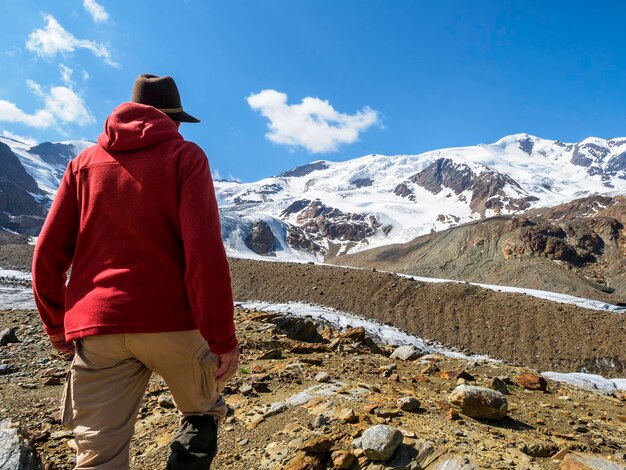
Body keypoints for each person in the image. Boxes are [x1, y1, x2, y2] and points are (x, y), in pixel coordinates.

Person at [32, 74, 238, 469]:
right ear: (172, 118)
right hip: (171, 322)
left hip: (98, 328)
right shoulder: (185, 157)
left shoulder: (83, 165)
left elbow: (47, 252)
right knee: (201, 411)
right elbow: (204, 255)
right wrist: (222, 338)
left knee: (97, 454)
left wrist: (56, 325)